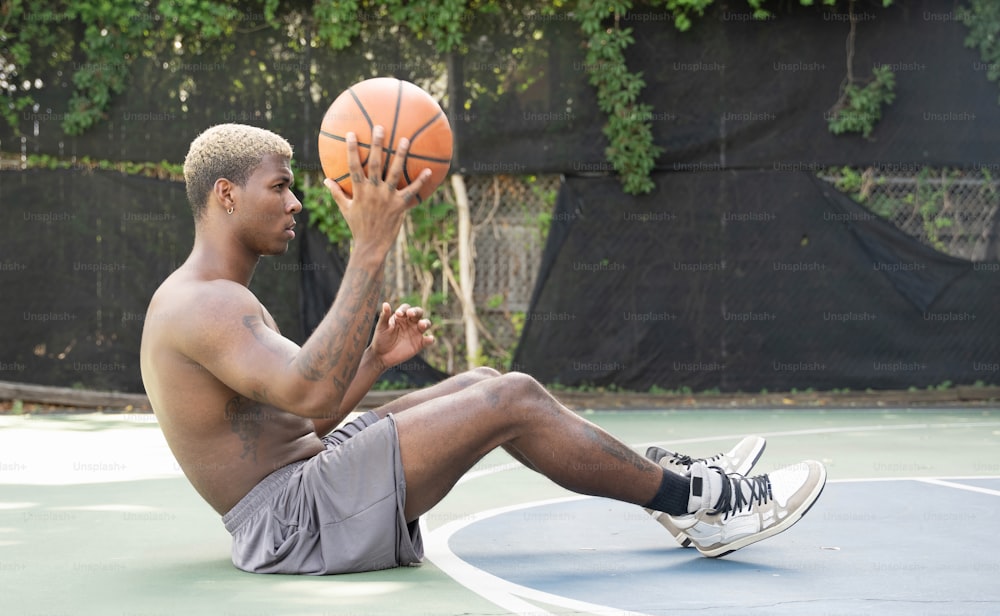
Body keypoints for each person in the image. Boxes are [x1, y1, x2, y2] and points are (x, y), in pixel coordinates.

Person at [139, 123, 827, 575]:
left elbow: (301, 421)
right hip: (292, 519)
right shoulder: (203, 303)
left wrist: (374, 360)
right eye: (280, 186)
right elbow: (309, 394)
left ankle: (661, 488)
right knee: (514, 399)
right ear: (226, 194)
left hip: (307, 482)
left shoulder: (215, 296)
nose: (294, 203)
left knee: (486, 379)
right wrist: (373, 245)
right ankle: (700, 503)